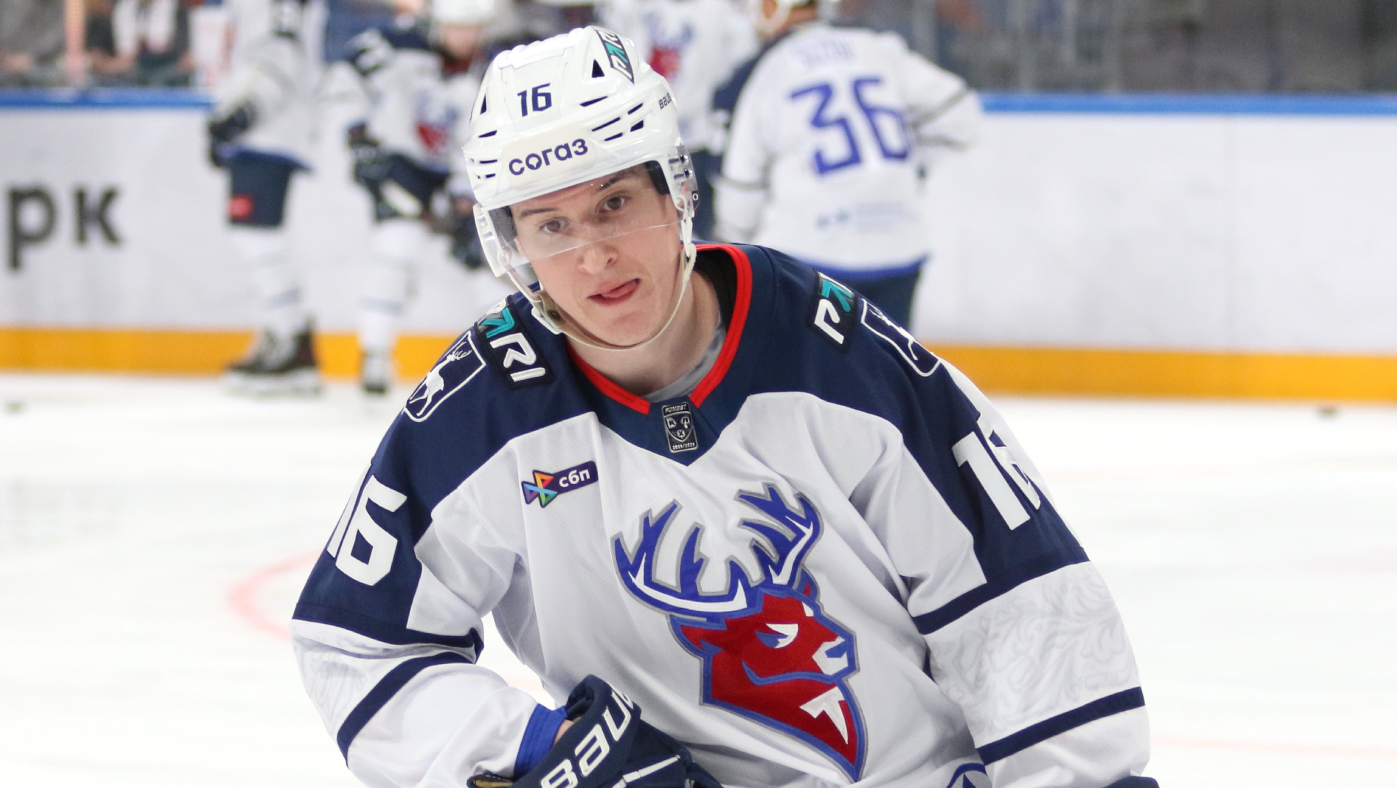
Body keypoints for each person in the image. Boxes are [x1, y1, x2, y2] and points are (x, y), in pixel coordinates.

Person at [292, 26, 1158, 788]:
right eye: (551, 226)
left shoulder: (840, 361)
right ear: (509, 244)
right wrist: (543, 750)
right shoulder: (482, 410)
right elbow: (356, 645)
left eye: (615, 203)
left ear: (676, 190)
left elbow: (1018, 608)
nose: (593, 257)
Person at [711, 0, 981, 328]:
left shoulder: (767, 69)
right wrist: (912, 168)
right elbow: (960, 114)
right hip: (898, 250)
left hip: (810, 258)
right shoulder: (877, 48)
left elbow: (741, 187)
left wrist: (731, 242)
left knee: (806, 362)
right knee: (885, 361)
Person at [332, 0, 495, 395]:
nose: (465, 37)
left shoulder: (492, 70)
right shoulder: (397, 45)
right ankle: (374, 355)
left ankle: (503, 354)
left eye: (473, 28)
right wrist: (357, 133)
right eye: (457, 27)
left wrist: (464, 198)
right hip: (404, 164)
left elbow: (482, 139)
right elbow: (345, 75)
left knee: (485, 260)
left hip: (459, 172)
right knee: (396, 251)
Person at [208, 0, 328, 395]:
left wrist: (243, 111)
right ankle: (283, 333)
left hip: (269, 129)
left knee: (256, 236)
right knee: (256, 237)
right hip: (263, 129)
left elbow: (282, 52)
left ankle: (291, 338)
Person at [602, 0, 757, 240]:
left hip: (698, 143)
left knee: (695, 233)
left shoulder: (724, 11)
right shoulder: (627, 6)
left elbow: (741, 71)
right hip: (639, 142)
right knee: (641, 228)